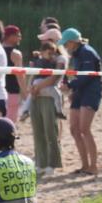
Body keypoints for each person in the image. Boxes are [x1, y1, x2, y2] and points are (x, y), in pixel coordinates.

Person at [59, 27, 102, 174]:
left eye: (66, 44)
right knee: (74, 130)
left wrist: (70, 86)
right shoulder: (75, 55)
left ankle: (94, 166)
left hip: (90, 92)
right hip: (79, 92)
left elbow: (87, 76)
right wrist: (67, 85)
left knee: (85, 129)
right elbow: (71, 73)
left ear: (73, 42)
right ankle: (85, 165)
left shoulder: (87, 53)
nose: (65, 47)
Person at [27, 40, 64, 176]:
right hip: (37, 96)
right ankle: (40, 163)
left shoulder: (59, 59)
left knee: (50, 131)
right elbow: (33, 74)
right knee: (38, 131)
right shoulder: (39, 59)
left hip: (48, 97)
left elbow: (54, 78)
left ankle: (52, 163)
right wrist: (31, 87)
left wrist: (37, 87)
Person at [2, 25, 27, 120]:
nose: (20, 37)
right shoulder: (15, 53)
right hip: (11, 91)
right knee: (10, 122)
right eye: (18, 35)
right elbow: (20, 75)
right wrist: (25, 93)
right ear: (10, 36)